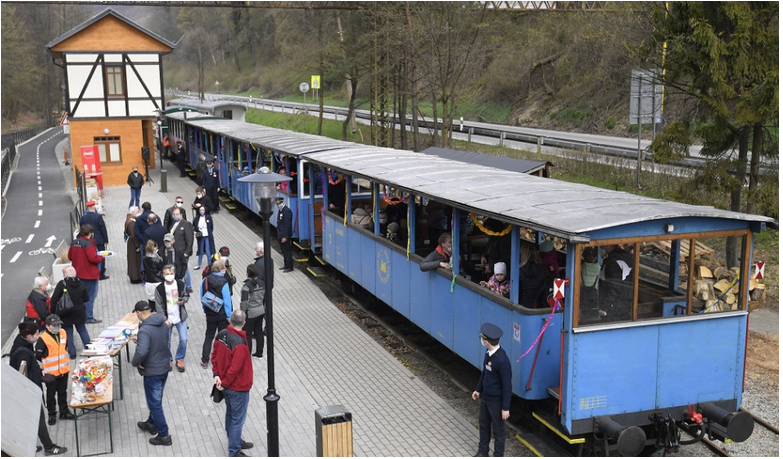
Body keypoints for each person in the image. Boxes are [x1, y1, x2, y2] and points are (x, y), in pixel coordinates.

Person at [9, 321, 68, 455]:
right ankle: (49, 447)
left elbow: (28, 368)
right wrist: (38, 378)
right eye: (36, 334)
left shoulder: (21, 343)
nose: (38, 335)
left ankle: (27, 445)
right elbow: (22, 373)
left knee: (27, 419)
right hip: (27, 392)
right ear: (29, 336)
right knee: (38, 419)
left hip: (25, 390)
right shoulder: (23, 353)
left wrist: (38, 371)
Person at [211, 309, 255, 458]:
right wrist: (225, 383)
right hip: (237, 387)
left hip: (224, 384)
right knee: (237, 419)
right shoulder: (240, 343)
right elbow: (235, 369)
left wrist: (216, 374)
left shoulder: (221, 334)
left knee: (230, 415)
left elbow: (214, 355)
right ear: (244, 322)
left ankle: (235, 440)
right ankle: (234, 450)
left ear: (230, 321)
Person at [131, 301, 173, 446]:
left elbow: (142, 352)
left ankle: (164, 435)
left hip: (152, 370)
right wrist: (142, 341)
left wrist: (135, 362)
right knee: (157, 398)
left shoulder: (145, 330)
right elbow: (158, 342)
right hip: (163, 367)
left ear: (138, 313)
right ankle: (151, 423)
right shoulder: (162, 323)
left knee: (154, 403)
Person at [472, 323, 512, 458]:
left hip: (496, 402)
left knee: (498, 431)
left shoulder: (502, 360)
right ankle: (483, 452)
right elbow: (485, 373)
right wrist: (478, 389)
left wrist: (505, 407)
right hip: (486, 398)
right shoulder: (488, 354)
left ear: (486, 341)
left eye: (482, 339)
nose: (482, 340)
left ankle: (498, 455)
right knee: (483, 425)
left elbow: (507, 386)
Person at [35, 314, 74, 425]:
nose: (57, 326)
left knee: (62, 392)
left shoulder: (63, 333)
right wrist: (42, 369)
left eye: (58, 324)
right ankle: (52, 414)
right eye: (54, 325)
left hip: (63, 370)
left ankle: (64, 412)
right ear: (47, 326)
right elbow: (37, 356)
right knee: (51, 395)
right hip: (51, 374)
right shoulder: (42, 339)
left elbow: (64, 348)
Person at [50, 266, 91, 359]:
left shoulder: (62, 284)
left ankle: (72, 353)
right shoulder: (81, 283)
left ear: (65, 275)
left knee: (68, 332)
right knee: (82, 330)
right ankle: (89, 348)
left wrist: (53, 312)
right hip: (79, 312)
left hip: (66, 313)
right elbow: (86, 298)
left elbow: (54, 299)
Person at [155, 265, 190, 372]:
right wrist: (164, 319)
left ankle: (179, 359)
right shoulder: (159, 288)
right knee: (166, 341)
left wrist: (183, 301)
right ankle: (168, 359)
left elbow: (186, 295)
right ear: (163, 275)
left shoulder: (180, 284)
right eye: (167, 274)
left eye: (171, 273)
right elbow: (158, 305)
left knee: (183, 339)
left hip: (180, 317)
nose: (169, 276)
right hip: (167, 318)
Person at [68, 224, 105, 324]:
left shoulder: (74, 242)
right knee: (90, 297)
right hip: (89, 275)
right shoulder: (89, 244)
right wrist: (101, 257)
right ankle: (88, 317)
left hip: (77, 274)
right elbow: (93, 258)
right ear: (90, 233)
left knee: (80, 296)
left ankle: (80, 315)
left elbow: (70, 256)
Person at [201, 259, 233, 368]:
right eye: (224, 268)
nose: (225, 270)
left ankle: (205, 360)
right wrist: (229, 316)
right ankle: (222, 360)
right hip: (222, 314)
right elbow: (227, 300)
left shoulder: (205, 280)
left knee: (209, 335)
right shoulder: (224, 282)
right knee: (223, 337)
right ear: (220, 269)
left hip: (210, 313)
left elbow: (202, 296)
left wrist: (205, 310)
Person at [600, 244, 634, 321]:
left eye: (602, 245)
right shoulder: (627, 258)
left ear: (609, 246)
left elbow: (615, 288)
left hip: (613, 308)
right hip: (625, 304)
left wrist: (604, 307)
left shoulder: (612, 263)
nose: (601, 247)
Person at [518, 241, 556, 309]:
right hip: (541, 306)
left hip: (523, 306)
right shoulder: (545, 269)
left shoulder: (519, 271)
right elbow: (554, 281)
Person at [79, 200, 109, 280]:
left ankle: (92, 271)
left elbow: (81, 227)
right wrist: (106, 239)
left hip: (87, 240)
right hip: (98, 239)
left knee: (91, 255)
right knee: (101, 255)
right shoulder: (98, 217)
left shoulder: (83, 218)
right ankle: (101, 273)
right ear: (93, 207)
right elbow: (103, 228)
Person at [240, 264, 265, 358]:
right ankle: (259, 352)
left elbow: (244, 302)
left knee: (248, 334)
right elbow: (265, 298)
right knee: (259, 331)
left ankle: (247, 354)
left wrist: (243, 314)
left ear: (247, 273)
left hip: (250, 313)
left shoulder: (247, 286)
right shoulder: (262, 283)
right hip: (261, 311)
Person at [169, 206, 195, 292]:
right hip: (175, 250)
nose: (175, 216)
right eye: (174, 214)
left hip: (183, 251)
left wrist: (187, 251)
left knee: (185, 268)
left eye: (177, 214)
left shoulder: (186, 224)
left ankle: (188, 286)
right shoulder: (174, 223)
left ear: (181, 215)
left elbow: (190, 239)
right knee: (179, 267)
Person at [579, 246, 602, 324]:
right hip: (594, 296)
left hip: (582, 297)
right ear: (595, 257)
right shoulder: (598, 268)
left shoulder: (580, 267)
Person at [143, 240, 165, 310]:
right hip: (157, 281)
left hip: (148, 282)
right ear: (153, 248)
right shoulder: (157, 259)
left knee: (151, 301)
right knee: (159, 301)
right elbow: (162, 268)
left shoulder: (144, 258)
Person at [194, 205, 215, 270]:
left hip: (207, 236)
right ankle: (199, 264)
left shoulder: (208, 217)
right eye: (200, 210)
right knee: (200, 250)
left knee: (208, 250)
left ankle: (209, 264)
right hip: (200, 236)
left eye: (203, 210)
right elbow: (194, 226)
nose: (201, 211)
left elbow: (211, 227)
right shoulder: (197, 218)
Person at [125, 206, 143, 283]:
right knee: (134, 260)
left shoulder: (129, 220)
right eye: (137, 212)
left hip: (131, 243)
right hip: (133, 244)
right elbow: (133, 235)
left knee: (133, 260)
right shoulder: (132, 223)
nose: (138, 213)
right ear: (133, 213)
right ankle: (135, 277)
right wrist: (137, 246)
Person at [276, 197, 294, 272]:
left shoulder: (286, 211)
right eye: (277, 204)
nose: (278, 205)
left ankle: (289, 266)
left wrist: (285, 236)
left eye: (279, 203)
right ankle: (286, 265)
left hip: (284, 235)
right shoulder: (281, 210)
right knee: (284, 251)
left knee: (287, 251)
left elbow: (287, 225)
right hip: (281, 234)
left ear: (282, 202)